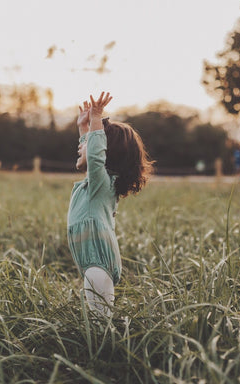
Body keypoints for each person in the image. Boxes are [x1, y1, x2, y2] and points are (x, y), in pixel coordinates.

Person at [67, 92, 153, 316]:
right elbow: (92, 152)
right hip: (94, 266)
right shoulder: (97, 185)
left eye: (88, 142)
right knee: (99, 321)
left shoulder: (100, 185)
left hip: (98, 267)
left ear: (105, 152)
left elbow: (94, 156)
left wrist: (96, 118)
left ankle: (106, 350)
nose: (81, 146)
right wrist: (84, 128)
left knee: (100, 327)